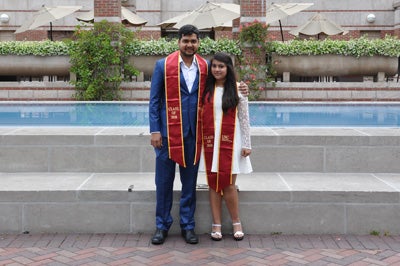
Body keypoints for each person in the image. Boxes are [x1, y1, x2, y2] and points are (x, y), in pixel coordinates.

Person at [149, 25, 249, 245]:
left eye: (193, 41)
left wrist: (241, 88)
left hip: (195, 135)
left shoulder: (205, 66)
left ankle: (188, 226)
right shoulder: (163, 66)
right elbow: (155, 100)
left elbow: (223, 85)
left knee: (189, 183)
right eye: (185, 41)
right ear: (179, 42)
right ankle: (162, 226)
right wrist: (155, 130)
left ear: (198, 43)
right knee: (163, 182)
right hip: (167, 134)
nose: (189, 45)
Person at [199, 52, 253, 241]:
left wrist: (247, 144)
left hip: (231, 142)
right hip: (211, 142)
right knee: (213, 183)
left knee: (229, 183)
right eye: (214, 66)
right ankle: (217, 224)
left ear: (228, 68)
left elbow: (244, 119)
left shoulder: (238, 89)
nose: (217, 70)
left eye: (221, 66)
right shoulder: (205, 89)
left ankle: (236, 221)